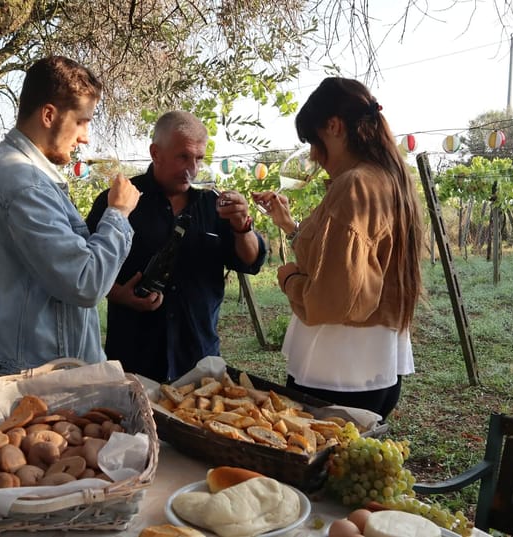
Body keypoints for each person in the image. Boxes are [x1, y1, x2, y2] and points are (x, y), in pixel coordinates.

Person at [252, 77, 425, 420]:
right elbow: (347, 258)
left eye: (315, 143)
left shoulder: (355, 184)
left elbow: (335, 299)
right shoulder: (390, 179)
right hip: (377, 363)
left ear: (333, 126)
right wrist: (289, 226)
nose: (315, 156)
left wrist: (289, 280)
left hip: (337, 368)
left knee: (318, 465)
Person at [0, 56, 140, 376]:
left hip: (29, 364)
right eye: (82, 121)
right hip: (43, 375)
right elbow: (85, 283)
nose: (85, 136)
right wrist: (118, 213)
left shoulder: (3, 167)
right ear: (49, 115)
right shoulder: (24, 184)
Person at [86, 111, 267, 381]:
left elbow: (250, 261)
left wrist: (243, 227)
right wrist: (116, 294)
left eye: (199, 158)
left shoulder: (214, 205)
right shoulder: (118, 200)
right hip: (134, 357)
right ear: (155, 153)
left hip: (198, 360)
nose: (191, 168)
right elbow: (84, 266)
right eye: (183, 156)